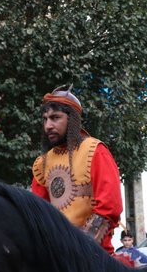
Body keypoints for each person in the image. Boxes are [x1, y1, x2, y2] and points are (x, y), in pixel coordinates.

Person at [31, 86, 123, 254]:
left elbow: (110, 207)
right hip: (56, 256)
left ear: (72, 119)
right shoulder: (42, 164)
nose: (48, 126)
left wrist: (79, 248)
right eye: (45, 119)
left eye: (55, 118)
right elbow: (38, 213)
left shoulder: (95, 151)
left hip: (95, 256)